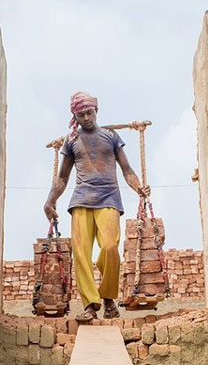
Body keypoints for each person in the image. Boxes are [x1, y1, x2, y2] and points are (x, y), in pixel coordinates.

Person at [44, 91, 149, 323]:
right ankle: (91, 305)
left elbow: (127, 170)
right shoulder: (71, 141)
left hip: (109, 199)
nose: (86, 118)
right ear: (75, 116)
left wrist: (139, 187)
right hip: (81, 200)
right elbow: (62, 178)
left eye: (89, 112)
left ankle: (109, 297)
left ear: (96, 111)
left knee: (110, 247)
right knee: (81, 254)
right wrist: (50, 201)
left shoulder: (111, 137)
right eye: (81, 115)